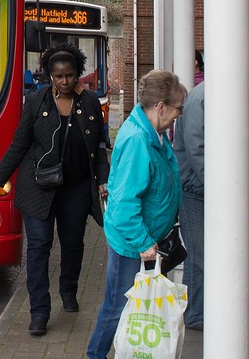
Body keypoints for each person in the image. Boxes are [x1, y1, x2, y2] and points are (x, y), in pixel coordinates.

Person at [0, 44, 108, 338]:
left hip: (77, 188)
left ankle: (68, 290)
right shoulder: (36, 100)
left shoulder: (90, 102)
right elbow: (20, 142)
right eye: (58, 76)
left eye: (69, 76)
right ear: (49, 76)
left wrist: (103, 181)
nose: (64, 82)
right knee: (39, 247)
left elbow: (101, 147)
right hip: (39, 186)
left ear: (78, 74)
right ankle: (39, 311)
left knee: (73, 244)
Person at [86, 70, 186, 359]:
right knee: (118, 305)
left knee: (130, 306)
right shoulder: (138, 140)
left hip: (145, 239)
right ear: (160, 107)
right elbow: (125, 202)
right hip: (134, 243)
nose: (178, 115)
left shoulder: (152, 133)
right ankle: (96, 354)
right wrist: (143, 242)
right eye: (177, 108)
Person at [173, 56, 249, 331]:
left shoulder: (222, 96)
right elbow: (197, 149)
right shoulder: (204, 99)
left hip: (215, 191)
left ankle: (204, 310)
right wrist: (222, 193)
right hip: (200, 192)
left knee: (210, 255)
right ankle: (196, 314)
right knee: (200, 256)